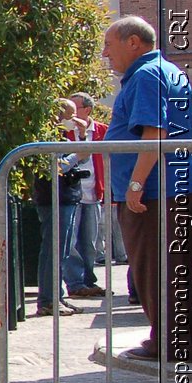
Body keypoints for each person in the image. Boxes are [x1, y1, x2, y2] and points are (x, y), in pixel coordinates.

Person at [101, 15, 192, 362]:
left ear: (133, 43)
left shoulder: (145, 75)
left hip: (156, 193)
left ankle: (170, 342)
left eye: (109, 45)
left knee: (154, 268)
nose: (105, 53)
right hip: (174, 187)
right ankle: (181, 338)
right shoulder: (171, 71)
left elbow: (154, 134)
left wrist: (136, 185)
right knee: (174, 266)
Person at [34, 99, 88, 316]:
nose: (72, 120)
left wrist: (81, 138)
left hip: (66, 197)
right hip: (53, 198)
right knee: (53, 251)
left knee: (61, 251)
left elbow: (77, 162)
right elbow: (55, 166)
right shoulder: (46, 134)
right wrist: (77, 154)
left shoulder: (60, 135)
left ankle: (56, 297)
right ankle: (48, 300)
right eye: (69, 115)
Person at [64, 92, 109, 300]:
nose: (71, 113)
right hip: (72, 193)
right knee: (71, 242)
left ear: (87, 110)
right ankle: (75, 283)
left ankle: (88, 280)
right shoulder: (64, 132)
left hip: (94, 192)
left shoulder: (102, 130)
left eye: (75, 107)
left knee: (90, 242)